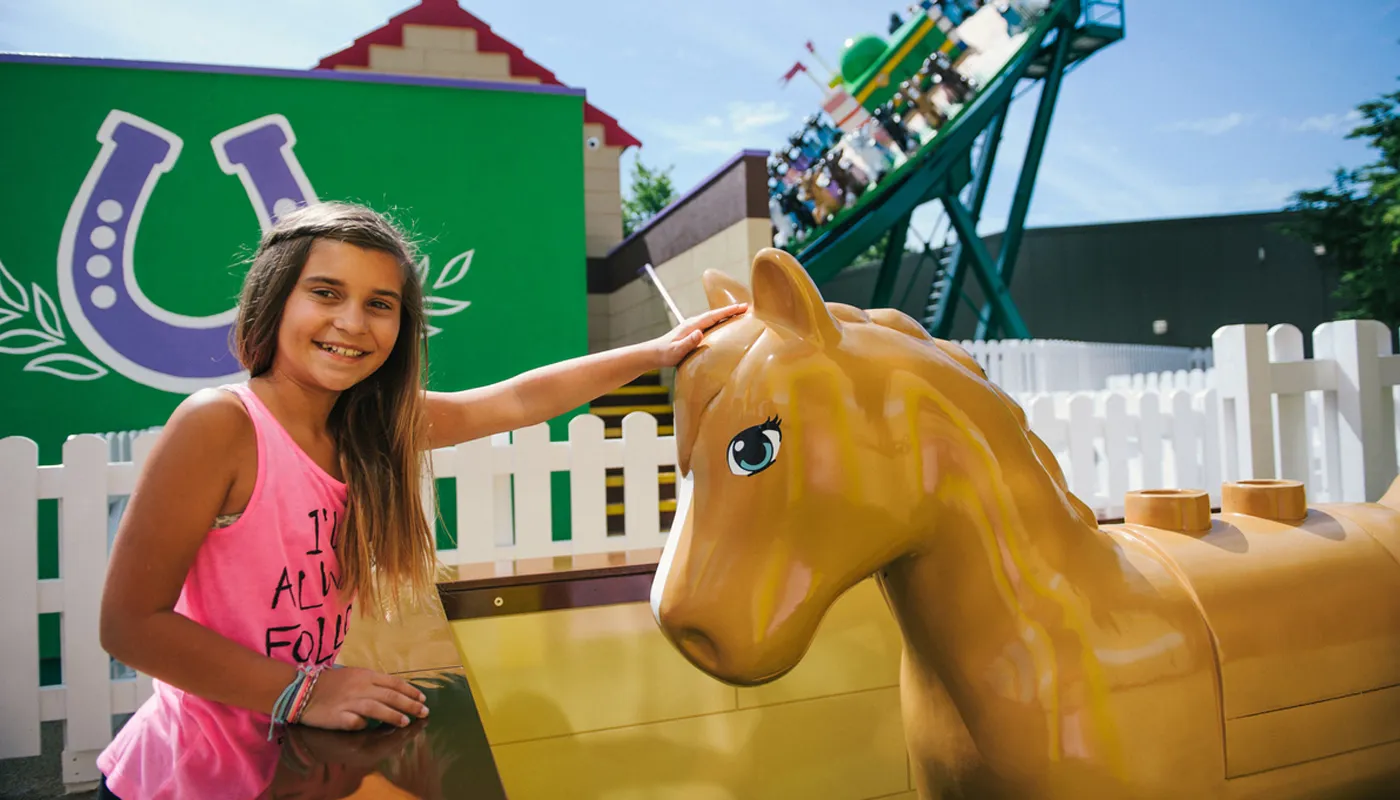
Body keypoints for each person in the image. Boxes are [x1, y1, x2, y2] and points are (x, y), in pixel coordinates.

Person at [94, 201, 746, 799]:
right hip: (184, 778)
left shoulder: (371, 426)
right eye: (325, 293)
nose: (351, 321)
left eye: (380, 304)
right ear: (273, 300)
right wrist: (301, 690)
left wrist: (657, 352)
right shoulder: (221, 425)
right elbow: (130, 625)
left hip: (297, 766)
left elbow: (515, 400)